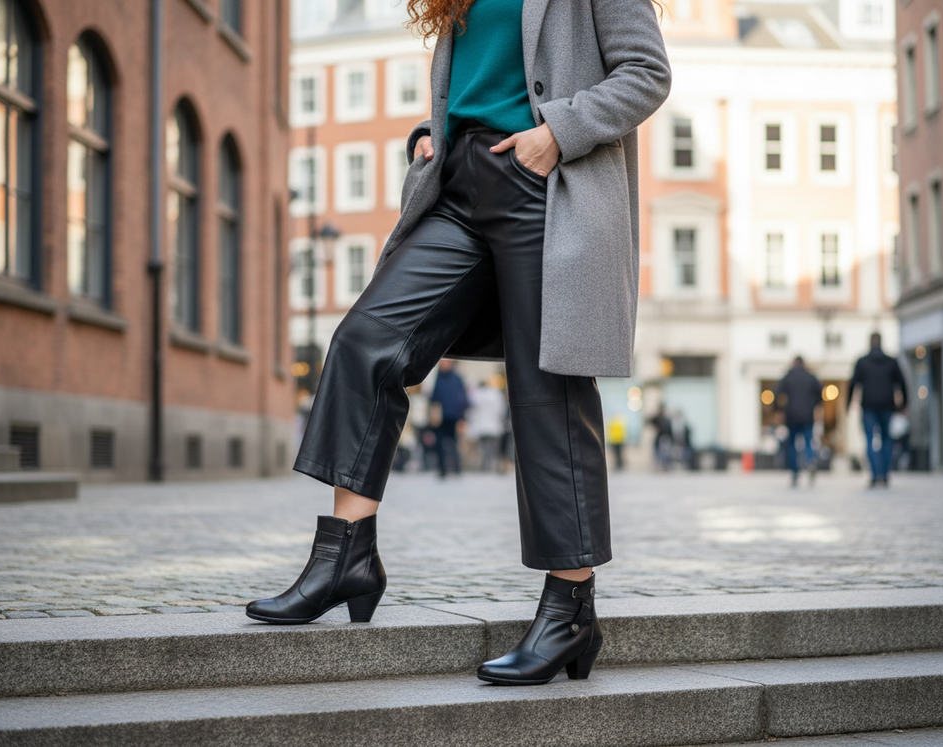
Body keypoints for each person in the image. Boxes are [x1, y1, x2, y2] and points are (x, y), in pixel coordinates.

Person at [246, 0, 671, 688]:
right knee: (365, 339)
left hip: (546, 184)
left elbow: (646, 73)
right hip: (457, 186)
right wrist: (429, 134)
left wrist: (556, 133)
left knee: (548, 389)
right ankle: (345, 555)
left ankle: (571, 606)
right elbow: (475, 85)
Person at [846, 333, 908, 487]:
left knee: (869, 440)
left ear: (870, 343)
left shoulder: (862, 362)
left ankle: (874, 475)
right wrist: (904, 403)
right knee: (887, 439)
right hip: (887, 405)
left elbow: (853, 384)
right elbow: (902, 382)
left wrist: (848, 404)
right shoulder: (891, 361)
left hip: (868, 405)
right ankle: (885, 475)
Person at [776, 356, 823, 486]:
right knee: (808, 441)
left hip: (791, 415)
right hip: (807, 414)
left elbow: (776, 392)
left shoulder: (788, 377)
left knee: (792, 444)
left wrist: (779, 409)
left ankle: (795, 472)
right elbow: (821, 393)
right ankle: (810, 462)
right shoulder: (810, 377)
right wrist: (815, 404)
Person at [430, 360, 470, 477]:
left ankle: (457, 468)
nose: (443, 363)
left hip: (454, 417)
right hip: (440, 418)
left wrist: (462, 418)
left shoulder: (457, 379)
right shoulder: (437, 378)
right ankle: (442, 469)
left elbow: (463, 399)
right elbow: (433, 398)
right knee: (439, 444)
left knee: (455, 444)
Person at [467, 377, 507, 472]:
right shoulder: (495, 394)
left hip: (481, 426)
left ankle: (485, 465)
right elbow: (501, 410)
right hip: (494, 425)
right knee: (494, 447)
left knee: (483, 447)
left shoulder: (476, 394)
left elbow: (471, 410)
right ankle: (494, 464)